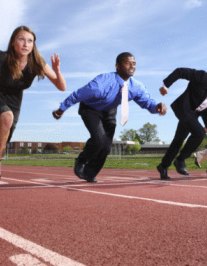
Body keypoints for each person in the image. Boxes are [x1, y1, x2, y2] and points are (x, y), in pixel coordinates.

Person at [52, 52, 167, 183]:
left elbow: (147, 102)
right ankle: (81, 161)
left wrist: (157, 106)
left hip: (109, 110)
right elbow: (77, 95)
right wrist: (61, 110)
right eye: (127, 63)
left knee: (106, 146)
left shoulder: (136, 87)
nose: (132, 66)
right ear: (117, 66)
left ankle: (89, 173)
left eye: (134, 63)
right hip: (91, 108)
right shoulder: (101, 84)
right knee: (99, 140)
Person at [0, 26, 66, 185]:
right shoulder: (2, 58)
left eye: (30, 41)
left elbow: (61, 86)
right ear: (13, 42)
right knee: (7, 118)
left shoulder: (37, 62)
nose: (26, 44)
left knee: (3, 141)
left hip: (14, 101)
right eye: (21, 39)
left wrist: (57, 71)